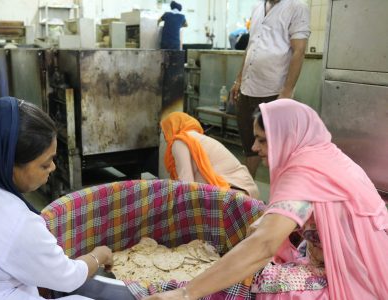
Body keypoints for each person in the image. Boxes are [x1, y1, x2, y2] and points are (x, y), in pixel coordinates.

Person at [144, 99, 388, 299]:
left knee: (260, 282)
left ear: (287, 136)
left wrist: (187, 292)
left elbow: (264, 245)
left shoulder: (305, 173)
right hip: (371, 257)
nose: (254, 147)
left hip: (355, 273)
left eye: (262, 140)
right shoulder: (324, 155)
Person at [0, 97, 121, 299]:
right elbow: (68, 277)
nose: (53, 167)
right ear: (9, 164)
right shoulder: (16, 222)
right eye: (45, 164)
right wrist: (99, 254)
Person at [231, 0, 310, 178]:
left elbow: (299, 50)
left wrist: (287, 92)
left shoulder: (297, 6)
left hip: (273, 91)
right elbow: (251, 47)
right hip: (247, 88)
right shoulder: (257, 7)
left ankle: (280, 199)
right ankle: (246, 193)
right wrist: (238, 80)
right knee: (250, 147)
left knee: (276, 151)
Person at [161, 111, 259, 198]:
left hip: (235, 193)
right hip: (247, 190)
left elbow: (186, 185)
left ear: (171, 127)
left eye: (165, 130)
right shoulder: (196, 138)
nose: (165, 136)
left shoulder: (179, 141)